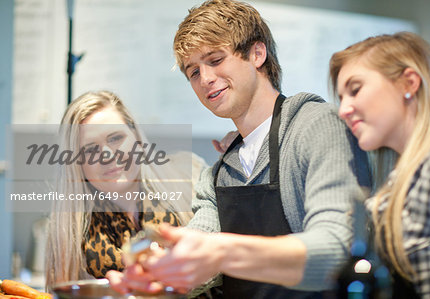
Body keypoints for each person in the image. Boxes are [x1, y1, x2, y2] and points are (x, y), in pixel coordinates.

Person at [108, 0, 372, 298]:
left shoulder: (317, 127)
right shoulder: (219, 172)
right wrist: (157, 275)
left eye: (216, 60)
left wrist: (222, 251)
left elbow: (338, 250)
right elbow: (198, 250)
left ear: (257, 54)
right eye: (193, 72)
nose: (205, 79)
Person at [45, 91, 208, 287]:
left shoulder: (190, 173)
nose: (106, 155)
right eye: (89, 149)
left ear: (136, 137)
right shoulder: (67, 229)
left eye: (115, 138)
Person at [330, 32, 430, 298]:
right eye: (341, 98)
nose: (343, 109)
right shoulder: (399, 181)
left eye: (355, 89)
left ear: (408, 83)